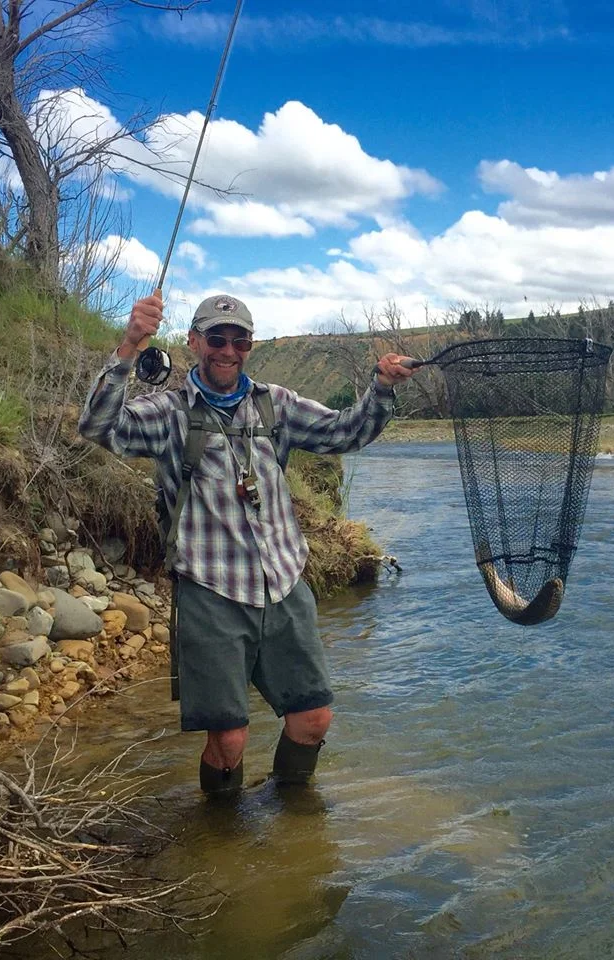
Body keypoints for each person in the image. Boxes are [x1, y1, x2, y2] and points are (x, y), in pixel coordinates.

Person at [78, 292, 417, 796]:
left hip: (284, 583)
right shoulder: (168, 412)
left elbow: (345, 433)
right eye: (217, 338)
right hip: (211, 591)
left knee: (314, 719)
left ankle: (292, 817)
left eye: (240, 341)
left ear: (250, 346)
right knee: (230, 739)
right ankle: (221, 827)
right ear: (195, 342)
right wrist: (129, 346)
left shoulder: (274, 404)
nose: (228, 350)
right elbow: (99, 426)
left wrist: (382, 388)